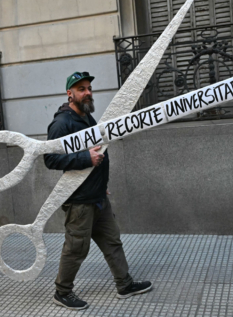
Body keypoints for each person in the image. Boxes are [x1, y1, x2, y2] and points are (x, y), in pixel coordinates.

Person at [44, 71, 152, 310]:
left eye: (89, 88)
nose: (88, 93)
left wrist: (102, 186)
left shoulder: (88, 119)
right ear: (69, 94)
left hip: (98, 197)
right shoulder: (62, 123)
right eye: (81, 89)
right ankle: (62, 292)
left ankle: (124, 284)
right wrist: (84, 158)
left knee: (112, 242)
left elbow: (99, 154)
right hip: (79, 201)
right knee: (76, 249)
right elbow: (50, 159)